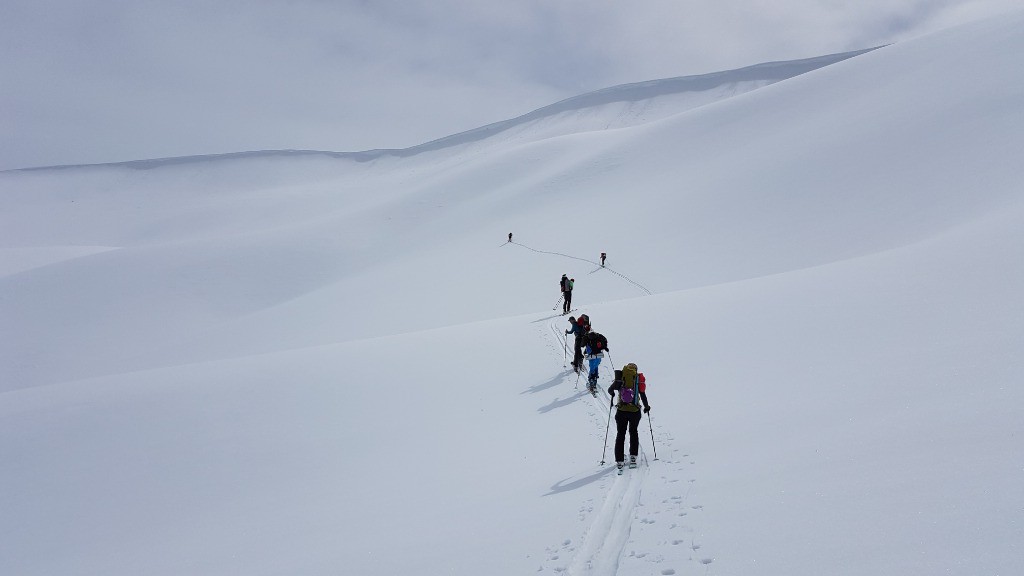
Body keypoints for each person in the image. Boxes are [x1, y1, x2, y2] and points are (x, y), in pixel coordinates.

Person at [608, 364, 650, 472]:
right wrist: (646, 407)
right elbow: (643, 394)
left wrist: (613, 393)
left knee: (620, 434)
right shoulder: (638, 379)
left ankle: (620, 460)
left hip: (621, 411)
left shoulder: (621, 378)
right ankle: (633, 457)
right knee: (633, 432)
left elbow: (610, 390)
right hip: (635, 411)